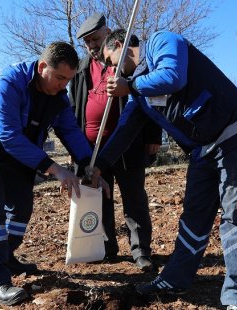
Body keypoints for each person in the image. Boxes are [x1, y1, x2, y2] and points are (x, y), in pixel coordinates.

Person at [89, 29, 237, 310]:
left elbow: (173, 76)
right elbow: (124, 131)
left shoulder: (162, 42)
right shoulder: (139, 93)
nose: (110, 71)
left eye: (111, 62)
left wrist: (130, 86)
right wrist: (99, 165)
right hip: (202, 149)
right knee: (193, 216)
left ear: (120, 45)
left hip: (235, 135)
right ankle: (175, 279)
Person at [0, 42, 109, 306]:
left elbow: (69, 130)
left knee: (21, 206)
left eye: (68, 79)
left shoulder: (57, 97)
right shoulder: (8, 81)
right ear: (43, 67)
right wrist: (55, 168)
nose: (63, 86)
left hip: (14, 156)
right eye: (59, 78)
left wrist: (90, 165)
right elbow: (9, 136)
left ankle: (6, 257)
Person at [69, 13, 161, 271]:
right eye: (87, 42)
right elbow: (75, 106)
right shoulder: (81, 69)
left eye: (96, 39)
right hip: (90, 149)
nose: (92, 46)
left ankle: (141, 251)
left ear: (108, 33)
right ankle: (106, 249)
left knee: (134, 197)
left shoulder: (126, 59)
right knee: (98, 198)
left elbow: (148, 93)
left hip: (127, 144)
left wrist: (153, 135)